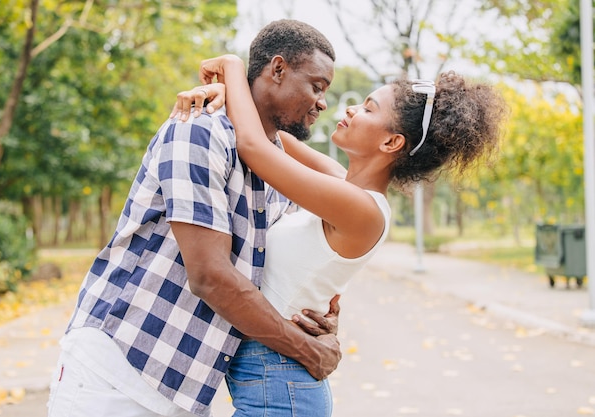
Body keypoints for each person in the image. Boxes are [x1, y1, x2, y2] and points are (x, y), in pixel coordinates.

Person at [172, 54, 508, 416]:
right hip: (274, 378)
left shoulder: (362, 210)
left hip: (280, 384)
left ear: (391, 143)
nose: (349, 109)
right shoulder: (341, 185)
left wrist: (233, 67)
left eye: (367, 108)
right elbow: (270, 134)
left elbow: (253, 147)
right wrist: (225, 92)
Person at [47, 20, 343, 417]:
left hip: (186, 390)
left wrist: (315, 317)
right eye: (317, 86)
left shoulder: (272, 162)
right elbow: (210, 276)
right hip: (118, 372)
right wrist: (305, 348)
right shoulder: (200, 129)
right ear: (277, 70)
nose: (323, 102)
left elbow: (274, 268)